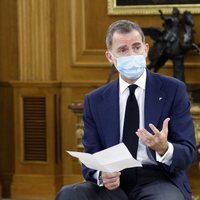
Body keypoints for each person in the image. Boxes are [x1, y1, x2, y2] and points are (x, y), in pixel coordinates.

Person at [56, 20, 196, 200]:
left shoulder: (173, 90)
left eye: (136, 47)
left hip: (158, 179)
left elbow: (189, 153)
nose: (131, 54)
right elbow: (91, 156)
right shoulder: (95, 100)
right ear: (110, 57)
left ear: (145, 49)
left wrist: (164, 148)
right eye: (123, 50)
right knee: (69, 194)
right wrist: (101, 175)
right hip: (113, 182)